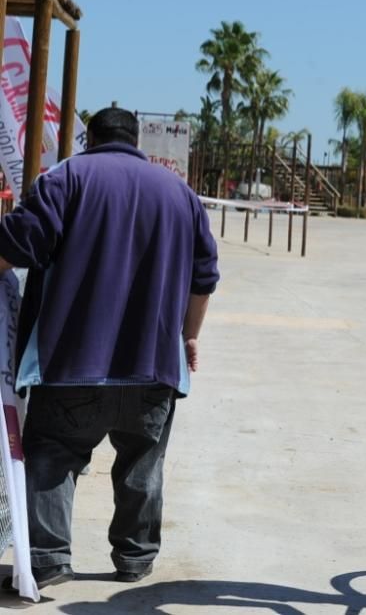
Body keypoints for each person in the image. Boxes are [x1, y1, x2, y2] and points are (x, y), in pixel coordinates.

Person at [0, 107, 220, 592]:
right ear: (136, 140)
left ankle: (49, 558)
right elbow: (205, 279)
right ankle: (135, 559)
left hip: (71, 364)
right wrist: (189, 336)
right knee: (142, 463)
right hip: (154, 366)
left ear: (90, 139)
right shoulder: (180, 194)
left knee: (53, 456)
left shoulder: (66, 178)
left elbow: (21, 244)